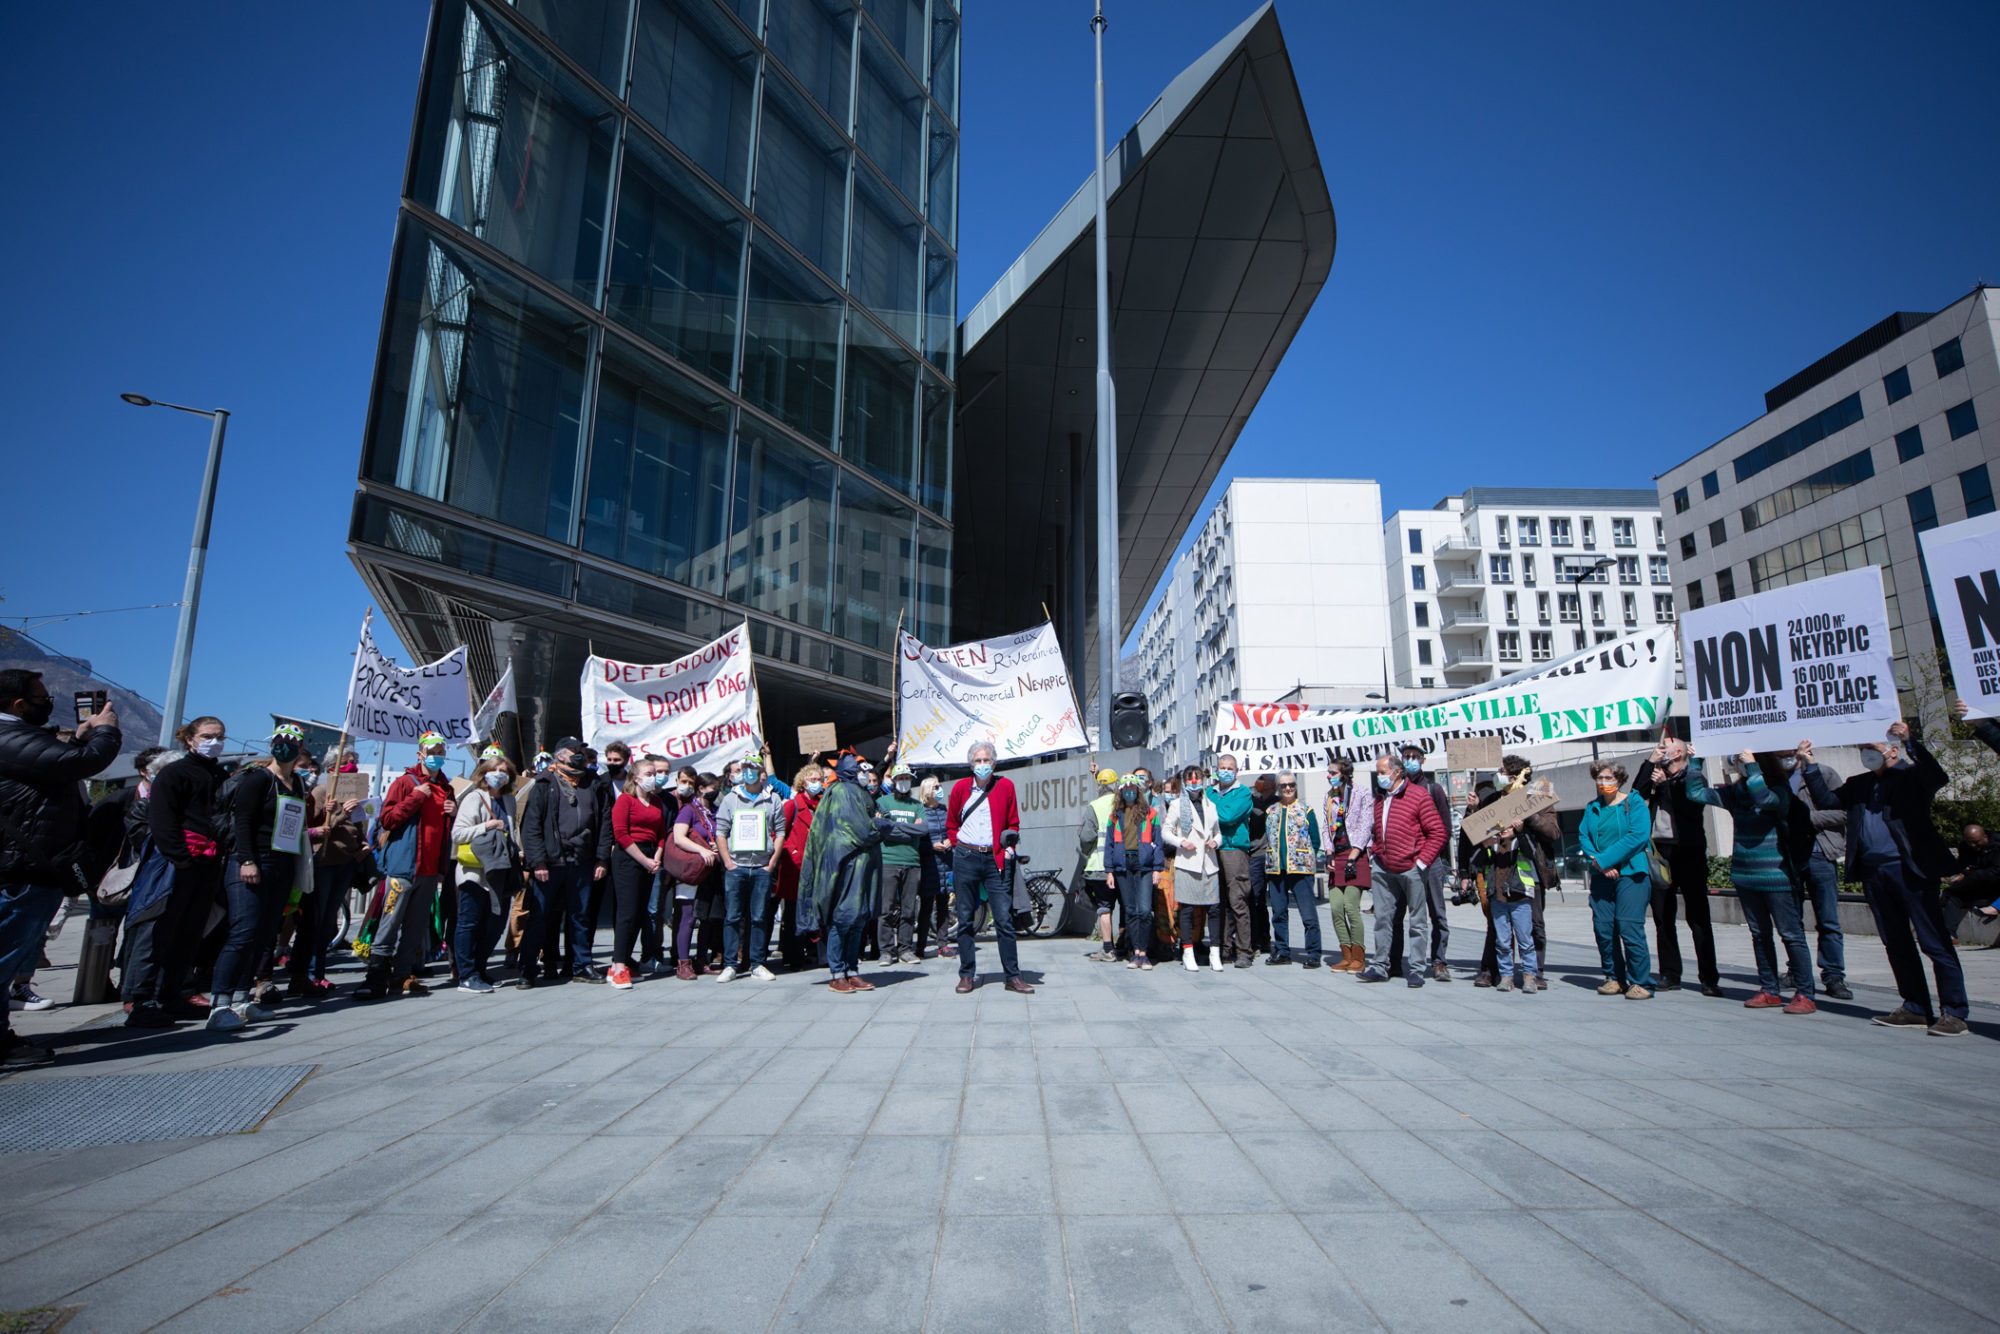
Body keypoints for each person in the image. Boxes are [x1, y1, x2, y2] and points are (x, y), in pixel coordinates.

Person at [1800, 722, 1968, 1036]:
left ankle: (1954, 1012)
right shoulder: (1859, 783)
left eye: (1873, 749)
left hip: (1911, 870)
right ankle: (1915, 1006)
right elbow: (1828, 801)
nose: (1867, 754)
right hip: (1875, 872)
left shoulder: (1911, 777)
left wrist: (1911, 741)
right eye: (1862, 749)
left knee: (1934, 942)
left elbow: (1937, 776)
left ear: (1891, 750)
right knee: (1896, 942)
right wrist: (1810, 765)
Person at [0, 670, 119, 1065]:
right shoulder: (8, 736)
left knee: (13, 951)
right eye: (41, 697)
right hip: (21, 866)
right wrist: (104, 733)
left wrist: (80, 735)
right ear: (18, 705)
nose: (48, 702)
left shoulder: (21, 738)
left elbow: (59, 758)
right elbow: (80, 763)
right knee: (5, 952)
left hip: (32, 864)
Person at [1686, 750, 1815, 1013]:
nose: (1739, 765)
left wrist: (1754, 768)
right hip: (1746, 875)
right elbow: (1695, 793)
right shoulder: (1736, 794)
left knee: (1791, 934)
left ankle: (1805, 993)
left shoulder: (1779, 790)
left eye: (1744, 761)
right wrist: (1696, 761)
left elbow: (1765, 799)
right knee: (1759, 934)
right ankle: (1769, 989)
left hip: (1777, 875)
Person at [208, 724, 316, 1030]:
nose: (287, 746)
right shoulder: (258, 779)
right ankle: (220, 1004)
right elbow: (243, 821)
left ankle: (244, 999)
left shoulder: (296, 782)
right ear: (272, 744)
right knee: (243, 932)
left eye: (294, 742)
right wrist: (246, 860)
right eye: (282, 741)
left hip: (282, 863)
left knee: (264, 933)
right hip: (253, 860)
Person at [130, 715, 228, 1027]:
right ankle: (140, 999)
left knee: (189, 933)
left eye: (219, 736)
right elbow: (162, 821)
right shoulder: (174, 774)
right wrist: (179, 857)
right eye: (207, 736)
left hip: (207, 864)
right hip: (175, 864)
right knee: (157, 931)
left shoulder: (220, 776)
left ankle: (173, 994)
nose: (214, 742)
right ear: (190, 739)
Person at [362, 732, 458, 999]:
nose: (437, 755)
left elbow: (443, 830)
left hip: (428, 872)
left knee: (415, 927)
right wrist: (415, 797)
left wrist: (454, 812)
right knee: (389, 924)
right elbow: (388, 819)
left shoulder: (446, 788)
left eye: (441, 751)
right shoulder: (406, 783)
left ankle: (402, 974)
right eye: (432, 751)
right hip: (403, 868)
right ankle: (375, 977)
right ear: (420, 754)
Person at [518, 736, 613, 985]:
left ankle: (581, 965)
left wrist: (602, 858)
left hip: (582, 861)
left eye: (581, 750)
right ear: (560, 755)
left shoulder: (593, 783)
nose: (579, 754)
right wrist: (537, 862)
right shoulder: (544, 783)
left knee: (580, 916)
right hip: (550, 863)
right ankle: (528, 969)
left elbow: (604, 823)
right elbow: (531, 827)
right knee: (540, 916)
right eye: (574, 751)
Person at [1633, 738, 1721, 996]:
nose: (1662, 747)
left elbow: (1688, 807)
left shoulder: (1692, 776)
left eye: (1667, 745)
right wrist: (1651, 761)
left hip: (1688, 850)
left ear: (1680, 752)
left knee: (1698, 917)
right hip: (1661, 851)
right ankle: (1670, 973)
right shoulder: (1657, 774)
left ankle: (1709, 977)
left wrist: (1664, 788)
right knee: (1662, 916)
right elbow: (1637, 792)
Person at [1465, 756, 1558, 990]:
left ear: (1515, 777)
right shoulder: (1494, 799)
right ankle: (1494, 970)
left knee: (1533, 924)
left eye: (1502, 771)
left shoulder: (1539, 796)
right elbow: (1477, 833)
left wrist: (1529, 817)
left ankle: (1535, 972)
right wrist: (1474, 810)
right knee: (1497, 925)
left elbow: (1553, 831)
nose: (1498, 775)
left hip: (1529, 871)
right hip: (1499, 869)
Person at [945, 741, 1031, 994]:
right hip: (966, 857)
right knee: (965, 919)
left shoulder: (1006, 786)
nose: (982, 765)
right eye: (978, 761)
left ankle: (1013, 976)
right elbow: (951, 823)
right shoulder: (961, 788)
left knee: (1004, 919)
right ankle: (967, 975)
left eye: (986, 760)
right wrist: (955, 844)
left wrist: (1009, 849)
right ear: (971, 764)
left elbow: (1014, 823)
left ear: (994, 763)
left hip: (995, 860)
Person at [1357, 753, 1446, 987]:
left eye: (1383, 772)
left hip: (1412, 868)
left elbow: (1438, 832)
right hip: (1384, 868)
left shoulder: (1419, 796)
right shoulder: (1380, 798)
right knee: (1383, 919)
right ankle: (1380, 966)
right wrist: (1375, 853)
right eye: (1378, 772)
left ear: (1397, 772)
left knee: (1417, 921)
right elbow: (1377, 831)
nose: (1379, 777)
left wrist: (1422, 862)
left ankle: (1417, 969)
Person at [800, 753, 886, 993]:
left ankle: (852, 971)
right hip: (845, 865)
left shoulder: (861, 792)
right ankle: (837, 973)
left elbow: (878, 816)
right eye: (860, 770)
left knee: (858, 919)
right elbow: (863, 828)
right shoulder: (841, 792)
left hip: (863, 865)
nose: (865, 775)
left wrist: (880, 822)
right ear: (849, 771)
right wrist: (881, 826)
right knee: (842, 918)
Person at [1580, 761, 1653, 1000]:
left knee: (1629, 926)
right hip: (1602, 875)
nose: (1603, 783)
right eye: (1600, 779)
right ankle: (1614, 977)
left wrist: (1607, 859)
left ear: (1619, 780)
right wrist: (1600, 863)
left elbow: (1638, 836)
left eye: (1609, 778)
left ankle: (1641, 981)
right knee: (1603, 927)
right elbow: (1584, 837)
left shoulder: (1634, 802)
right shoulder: (1592, 807)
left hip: (1631, 873)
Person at [1781, 747, 1850, 999]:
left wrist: (1805, 818)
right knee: (1791, 921)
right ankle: (1796, 971)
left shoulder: (1823, 774)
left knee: (1828, 919)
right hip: (1789, 857)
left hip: (1820, 853)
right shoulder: (1774, 778)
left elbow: (1842, 812)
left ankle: (1833, 975)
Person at [297, 748, 364, 999]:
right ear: (330, 769)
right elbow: (313, 830)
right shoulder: (320, 792)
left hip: (345, 863)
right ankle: (309, 973)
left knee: (328, 923)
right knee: (317, 918)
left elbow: (356, 826)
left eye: (354, 762)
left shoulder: (356, 793)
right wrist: (339, 814)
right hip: (324, 862)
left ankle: (319, 972)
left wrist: (362, 844)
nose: (352, 766)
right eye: (346, 763)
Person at [450, 747, 518, 993]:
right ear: (484, 773)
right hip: (475, 872)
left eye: (503, 771)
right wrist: (486, 826)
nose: (499, 774)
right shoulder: (474, 798)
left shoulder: (509, 799)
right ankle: (466, 974)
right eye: (494, 770)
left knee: (495, 924)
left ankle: (479, 969)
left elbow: (512, 832)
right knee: (469, 922)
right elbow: (458, 834)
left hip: (500, 873)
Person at [716, 751, 786, 982]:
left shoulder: (773, 799)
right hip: (736, 866)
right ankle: (730, 964)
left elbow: (780, 832)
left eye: (752, 767)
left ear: (760, 771)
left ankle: (757, 962)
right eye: (743, 767)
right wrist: (728, 862)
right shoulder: (730, 799)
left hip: (761, 867)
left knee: (759, 917)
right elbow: (721, 832)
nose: (747, 771)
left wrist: (772, 863)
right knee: (733, 917)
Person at [1392, 745, 1455, 981]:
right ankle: (1395, 961)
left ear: (1423, 760)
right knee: (1397, 913)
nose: (1410, 761)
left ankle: (1439, 961)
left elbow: (1445, 828)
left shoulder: (1433, 788)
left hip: (1430, 860)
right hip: (1402, 860)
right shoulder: (1396, 788)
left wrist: (1428, 856)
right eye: (1406, 757)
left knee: (1437, 912)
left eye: (1414, 757)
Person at [1163, 765, 1225, 973]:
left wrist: (1216, 842)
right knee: (1187, 910)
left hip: (1208, 862)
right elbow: (1166, 831)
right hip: (1188, 862)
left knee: (1214, 908)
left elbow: (1218, 832)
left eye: (1197, 778)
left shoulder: (1210, 804)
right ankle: (1187, 951)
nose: (1194, 782)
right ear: (1184, 782)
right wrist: (1181, 842)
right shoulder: (1178, 804)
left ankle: (1215, 952)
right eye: (1190, 779)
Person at [1468, 821, 1539, 993]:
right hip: (1498, 899)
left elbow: (1532, 852)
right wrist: (1485, 841)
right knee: (1502, 942)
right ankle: (1506, 976)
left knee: (1525, 940)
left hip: (1520, 897)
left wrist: (1521, 832)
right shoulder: (1492, 846)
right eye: (1502, 826)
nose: (1505, 829)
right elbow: (1474, 862)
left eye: (1509, 826)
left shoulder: (1521, 841)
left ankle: (1530, 976)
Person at [1263, 773, 1322, 967]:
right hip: (1276, 869)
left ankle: (1313, 952)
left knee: (1308, 913)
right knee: (1278, 913)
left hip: (1300, 869)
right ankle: (1282, 950)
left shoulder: (1306, 810)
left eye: (1291, 785)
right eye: (1283, 786)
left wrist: (1305, 857)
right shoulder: (1271, 811)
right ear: (1278, 788)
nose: (1288, 788)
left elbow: (1315, 839)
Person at [871, 762, 928, 966]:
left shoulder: (917, 805)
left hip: (912, 862)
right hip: (888, 861)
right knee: (885, 909)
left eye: (906, 778)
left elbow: (923, 831)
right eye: (900, 778)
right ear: (893, 781)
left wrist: (894, 827)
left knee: (909, 909)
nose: (903, 782)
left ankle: (905, 949)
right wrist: (908, 829)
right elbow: (881, 828)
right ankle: (886, 951)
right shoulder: (883, 802)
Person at [667, 767, 721, 977]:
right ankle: (683, 962)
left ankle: (701, 959)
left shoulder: (715, 811)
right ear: (701, 789)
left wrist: (718, 846)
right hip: (692, 868)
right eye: (713, 788)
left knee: (707, 916)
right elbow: (679, 837)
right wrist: (702, 849)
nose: (716, 792)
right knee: (688, 916)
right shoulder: (688, 810)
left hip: (710, 869)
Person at [1104, 774, 1161, 970]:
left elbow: (1158, 842)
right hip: (1123, 864)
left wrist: (1157, 868)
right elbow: (1109, 844)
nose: (1129, 792)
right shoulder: (1114, 816)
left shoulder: (1150, 813)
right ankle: (1135, 952)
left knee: (1144, 910)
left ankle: (1144, 953)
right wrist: (1109, 871)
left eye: (1132, 789)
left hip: (1144, 864)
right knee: (1130, 910)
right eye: (1125, 790)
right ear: (1120, 792)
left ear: (1138, 792)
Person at [1321, 759, 1372, 972]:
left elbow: (1366, 823)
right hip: (1337, 854)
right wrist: (1328, 852)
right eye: (1328, 772)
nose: (1329, 775)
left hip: (1355, 854)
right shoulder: (1329, 796)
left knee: (1351, 906)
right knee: (1336, 907)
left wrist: (1355, 853)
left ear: (1344, 773)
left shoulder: (1361, 792)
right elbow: (1325, 825)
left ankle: (1359, 956)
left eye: (1333, 772)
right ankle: (1346, 954)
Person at [1205, 754, 1257, 968]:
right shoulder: (1210, 791)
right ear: (1216, 769)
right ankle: (1224, 949)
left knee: (1238, 901)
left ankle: (1244, 951)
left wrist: (1209, 811)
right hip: (1211, 849)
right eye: (1222, 767)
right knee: (1219, 903)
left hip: (1233, 849)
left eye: (1230, 768)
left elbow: (1227, 817)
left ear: (1236, 771)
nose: (1225, 771)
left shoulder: (1243, 793)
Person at [774, 765, 821, 972]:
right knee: (794, 915)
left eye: (819, 778)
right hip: (796, 869)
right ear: (803, 782)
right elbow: (778, 835)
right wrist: (793, 852)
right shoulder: (792, 805)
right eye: (812, 778)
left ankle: (813, 954)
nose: (816, 782)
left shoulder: (822, 804)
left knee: (814, 913)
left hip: (818, 869)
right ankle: (793, 956)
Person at [1078, 768, 1120, 961]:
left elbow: (1087, 836)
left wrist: (1086, 850)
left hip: (1099, 866)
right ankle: (1129, 947)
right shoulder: (1124, 804)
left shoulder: (1094, 806)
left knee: (1104, 907)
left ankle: (1107, 948)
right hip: (1124, 865)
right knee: (1127, 907)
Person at [918, 774, 952, 960]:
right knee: (926, 907)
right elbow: (917, 839)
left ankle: (943, 944)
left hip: (946, 862)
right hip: (929, 864)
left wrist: (949, 840)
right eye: (936, 787)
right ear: (927, 791)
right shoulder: (921, 812)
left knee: (944, 906)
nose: (940, 790)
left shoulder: (944, 810)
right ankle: (921, 946)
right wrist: (930, 846)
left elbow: (953, 830)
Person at [1945, 825, 2000, 925]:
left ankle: (1996, 907)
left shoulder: (1997, 847)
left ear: (1985, 837)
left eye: (1976, 842)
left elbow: (1994, 873)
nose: (1973, 845)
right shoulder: (1966, 848)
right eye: (1969, 842)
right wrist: (1964, 873)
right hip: (1977, 887)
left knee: (1953, 891)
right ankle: (1949, 936)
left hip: (1994, 887)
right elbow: (1964, 866)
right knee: (1954, 899)